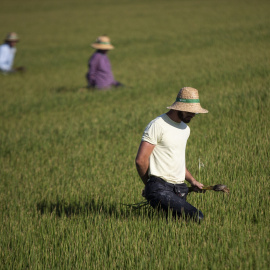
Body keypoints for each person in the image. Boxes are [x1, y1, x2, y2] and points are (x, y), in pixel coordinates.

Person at [135, 87, 208, 222]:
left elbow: (176, 162)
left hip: (179, 189)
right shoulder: (158, 125)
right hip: (159, 187)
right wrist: (149, 185)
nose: (193, 115)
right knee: (197, 217)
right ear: (178, 107)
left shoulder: (185, 129)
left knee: (176, 224)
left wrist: (192, 181)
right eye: (190, 111)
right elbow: (141, 160)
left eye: (195, 113)